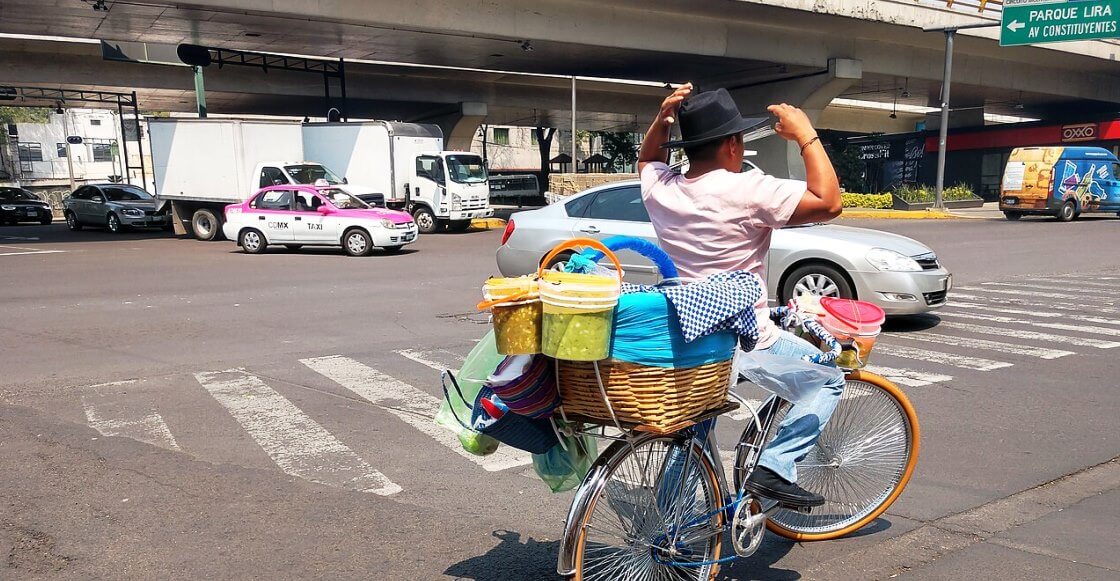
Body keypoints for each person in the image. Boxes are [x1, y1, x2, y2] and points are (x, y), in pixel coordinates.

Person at [637, 84, 845, 508]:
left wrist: (661, 120)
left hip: (685, 334)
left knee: (694, 429)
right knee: (829, 378)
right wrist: (807, 134)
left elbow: (647, 159)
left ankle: (664, 528)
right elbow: (829, 202)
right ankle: (775, 468)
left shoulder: (661, 189)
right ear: (733, 144)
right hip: (745, 339)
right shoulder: (748, 190)